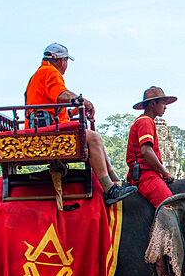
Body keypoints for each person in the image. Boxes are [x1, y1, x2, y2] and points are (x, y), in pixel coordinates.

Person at [25, 43, 138, 205]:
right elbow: (60, 94)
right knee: (93, 138)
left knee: (93, 137)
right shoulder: (50, 71)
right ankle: (110, 189)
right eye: (66, 61)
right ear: (61, 60)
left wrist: (73, 113)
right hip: (45, 129)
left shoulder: (38, 74)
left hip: (44, 123)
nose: (66, 65)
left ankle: (115, 181)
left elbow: (51, 107)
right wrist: (83, 102)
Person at [126, 86, 177, 208]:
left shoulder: (145, 121)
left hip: (149, 174)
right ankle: (164, 228)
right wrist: (165, 173)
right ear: (153, 104)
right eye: (163, 103)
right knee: (169, 207)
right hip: (145, 176)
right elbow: (146, 151)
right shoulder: (145, 121)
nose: (165, 107)